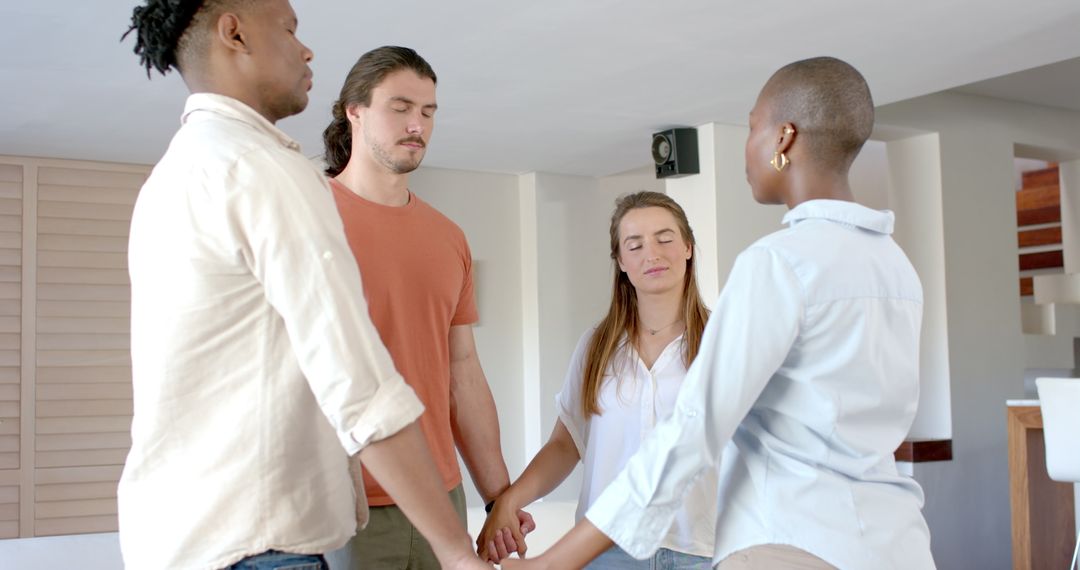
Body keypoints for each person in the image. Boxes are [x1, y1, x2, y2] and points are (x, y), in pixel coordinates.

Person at [504, 56, 936, 570]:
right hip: (892, 544)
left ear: (783, 139)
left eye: (752, 127)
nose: (745, 146)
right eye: (635, 245)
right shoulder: (895, 267)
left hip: (790, 543)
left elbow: (692, 432)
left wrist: (551, 563)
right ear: (619, 260)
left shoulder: (777, 262)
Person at [119, 3, 490, 569]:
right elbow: (359, 387)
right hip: (261, 541)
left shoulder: (174, 174)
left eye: (427, 111)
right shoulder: (264, 170)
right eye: (289, 29)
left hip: (187, 539)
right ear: (234, 32)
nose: (306, 48)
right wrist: (456, 551)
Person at [321, 46, 532, 569]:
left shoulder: (448, 237)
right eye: (400, 108)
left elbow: (463, 372)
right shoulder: (309, 218)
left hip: (442, 499)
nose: (417, 125)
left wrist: (499, 498)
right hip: (344, 504)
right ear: (354, 111)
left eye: (428, 111)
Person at [477, 191, 717, 568]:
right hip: (606, 552)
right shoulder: (597, 346)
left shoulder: (726, 340)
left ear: (687, 247)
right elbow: (565, 445)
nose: (652, 254)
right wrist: (508, 502)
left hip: (700, 549)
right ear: (620, 261)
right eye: (635, 245)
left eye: (665, 239)